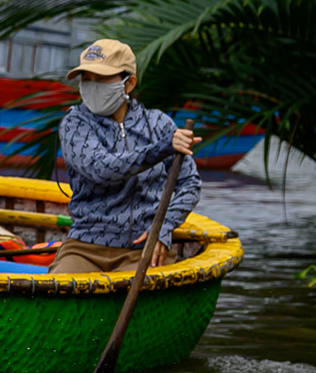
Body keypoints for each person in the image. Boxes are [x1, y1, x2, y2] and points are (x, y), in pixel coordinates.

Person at [50, 39, 202, 274]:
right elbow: (101, 169)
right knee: (57, 291)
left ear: (128, 83)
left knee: (155, 295)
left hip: (144, 249)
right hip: (84, 247)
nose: (92, 87)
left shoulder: (159, 124)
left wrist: (163, 227)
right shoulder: (74, 123)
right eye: (86, 79)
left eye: (101, 79)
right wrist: (161, 149)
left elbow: (190, 183)